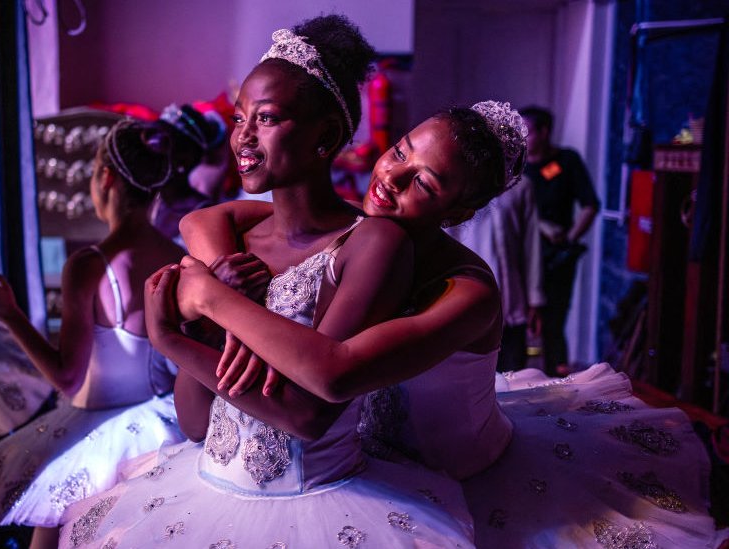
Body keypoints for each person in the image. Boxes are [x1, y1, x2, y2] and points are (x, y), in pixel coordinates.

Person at [172, 102, 720, 546]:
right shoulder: (359, 230)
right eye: (397, 153)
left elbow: (336, 373)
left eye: (424, 184)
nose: (391, 178)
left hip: (462, 475)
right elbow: (202, 219)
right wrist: (222, 283)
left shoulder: (467, 292)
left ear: (456, 213)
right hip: (366, 467)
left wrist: (212, 305)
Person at [54, 15, 479, 548]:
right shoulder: (237, 246)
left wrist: (175, 334)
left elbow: (307, 414)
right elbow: (195, 424)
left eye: (268, 118)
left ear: (325, 135)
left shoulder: (371, 244)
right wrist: (200, 331)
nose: (243, 137)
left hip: (320, 505)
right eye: (239, 118)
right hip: (207, 494)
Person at [0, 120, 187, 543]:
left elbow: (67, 376)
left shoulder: (89, 265)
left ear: (105, 177)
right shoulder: (182, 259)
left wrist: (11, 314)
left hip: (96, 434)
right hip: (162, 429)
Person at [520, 106, 600, 376]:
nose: (522, 138)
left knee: (554, 322)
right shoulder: (516, 167)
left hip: (557, 258)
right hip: (524, 257)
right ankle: (519, 378)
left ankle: (557, 379)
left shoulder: (566, 161)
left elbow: (590, 205)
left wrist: (569, 239)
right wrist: (540, 227)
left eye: (527, 132)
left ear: (544, 132)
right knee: (521, 322)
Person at [445, 171, 545, 372]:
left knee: (515, 377)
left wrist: (535, 299)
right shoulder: (458, 182)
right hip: (468, 307)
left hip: (512, 305)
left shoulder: (522, 187)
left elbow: (531, 245)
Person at [148, 103, 228, 247]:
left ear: (185, 159)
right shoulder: (153, 199)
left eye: (161, 144)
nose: (150, 152)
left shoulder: (201, 212)